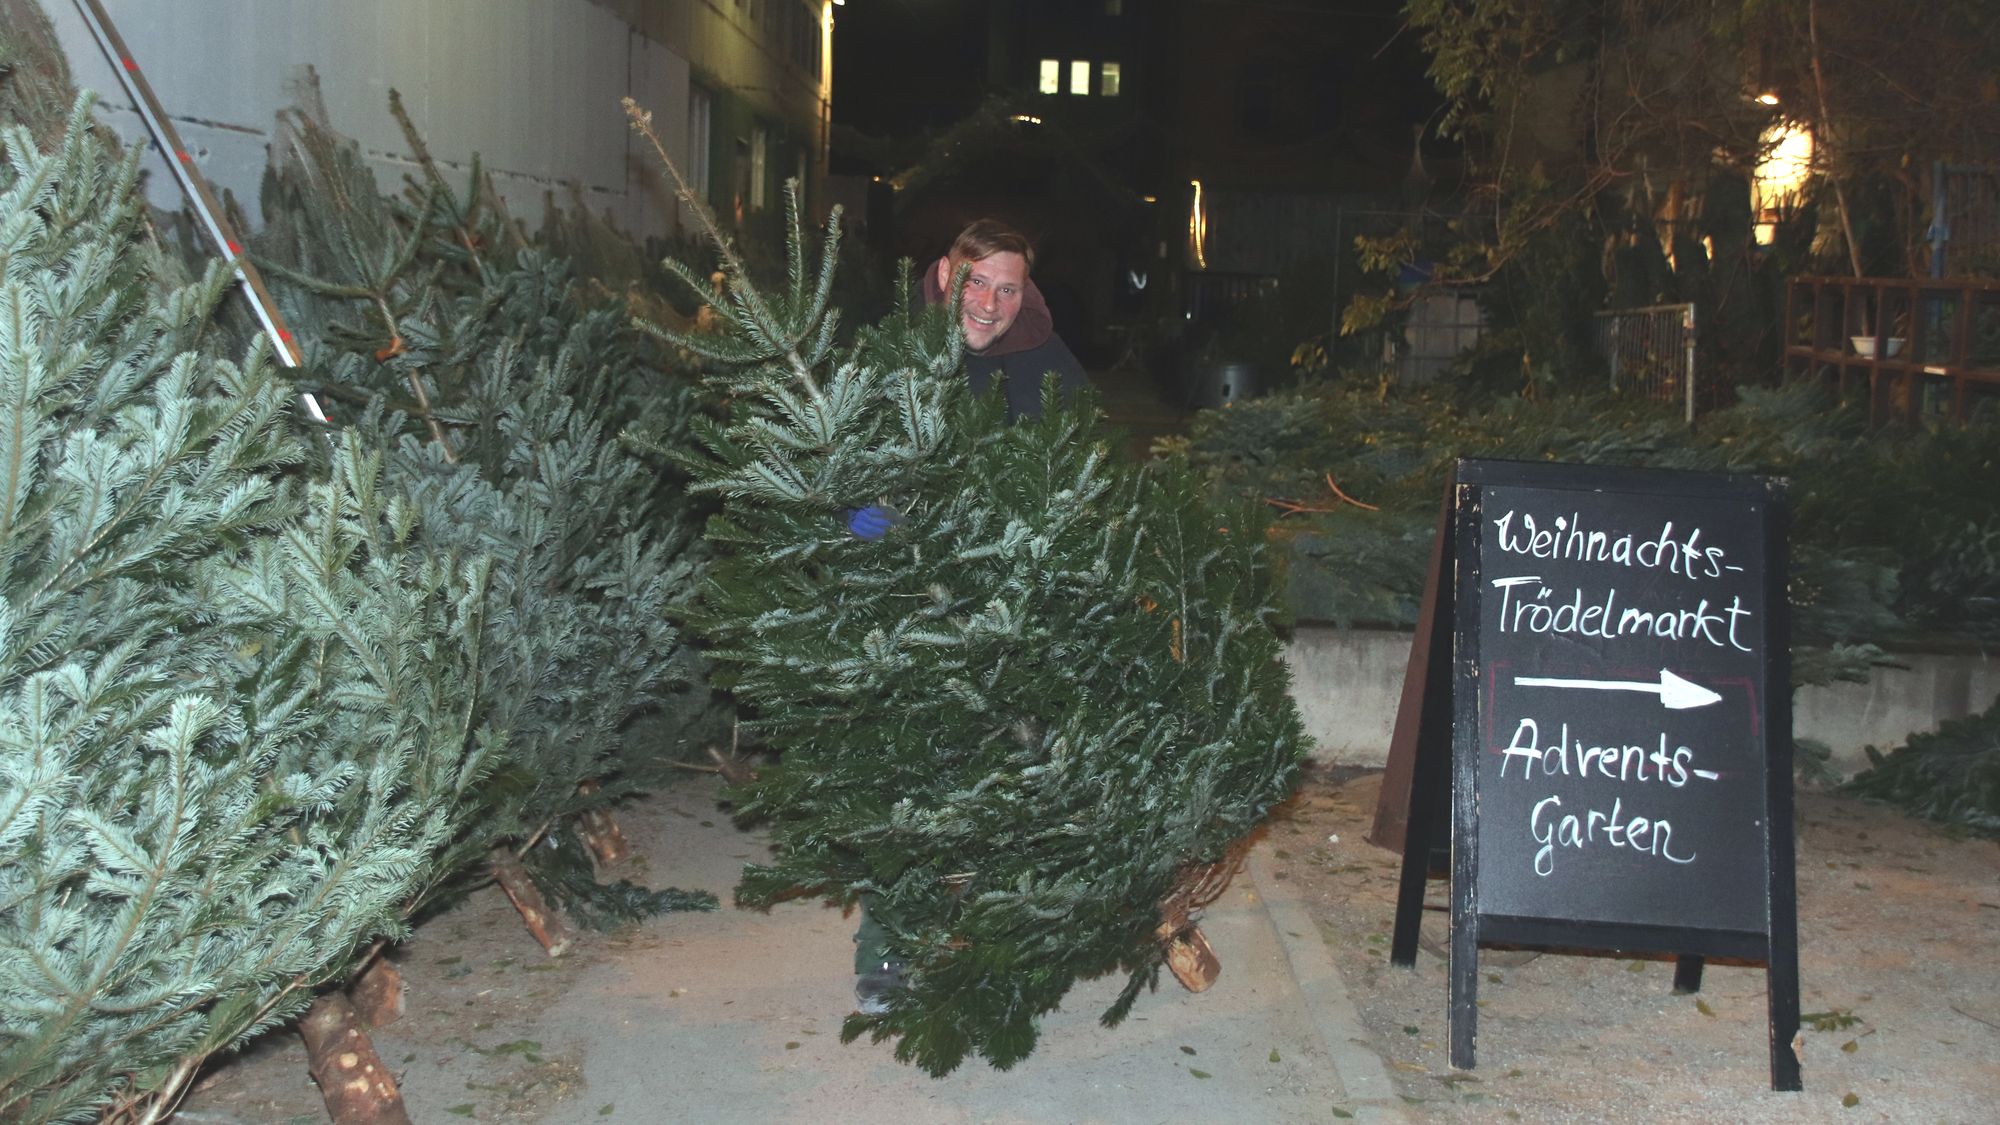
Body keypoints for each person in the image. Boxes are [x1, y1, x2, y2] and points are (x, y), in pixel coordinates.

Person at [920, 219, 1088, 420]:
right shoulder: (893, 344)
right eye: (977, 282)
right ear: (944, 274)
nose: (989, 304)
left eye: (1007, 290)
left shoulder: (1051, 365)